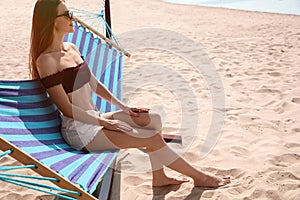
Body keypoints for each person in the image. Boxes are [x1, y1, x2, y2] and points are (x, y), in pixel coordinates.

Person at [29, 0, 230, 188]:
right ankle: (200, 178)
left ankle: (159, 177)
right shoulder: (46, 61)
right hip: (81, 132)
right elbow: (67, 110)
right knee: (151, 139)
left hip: (96, 118)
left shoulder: (72, 48)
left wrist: (123, 107)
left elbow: (94, 84)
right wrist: (108, 123)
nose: (73, 18)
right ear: (51, 21)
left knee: (152, 119)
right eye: (67, 14)